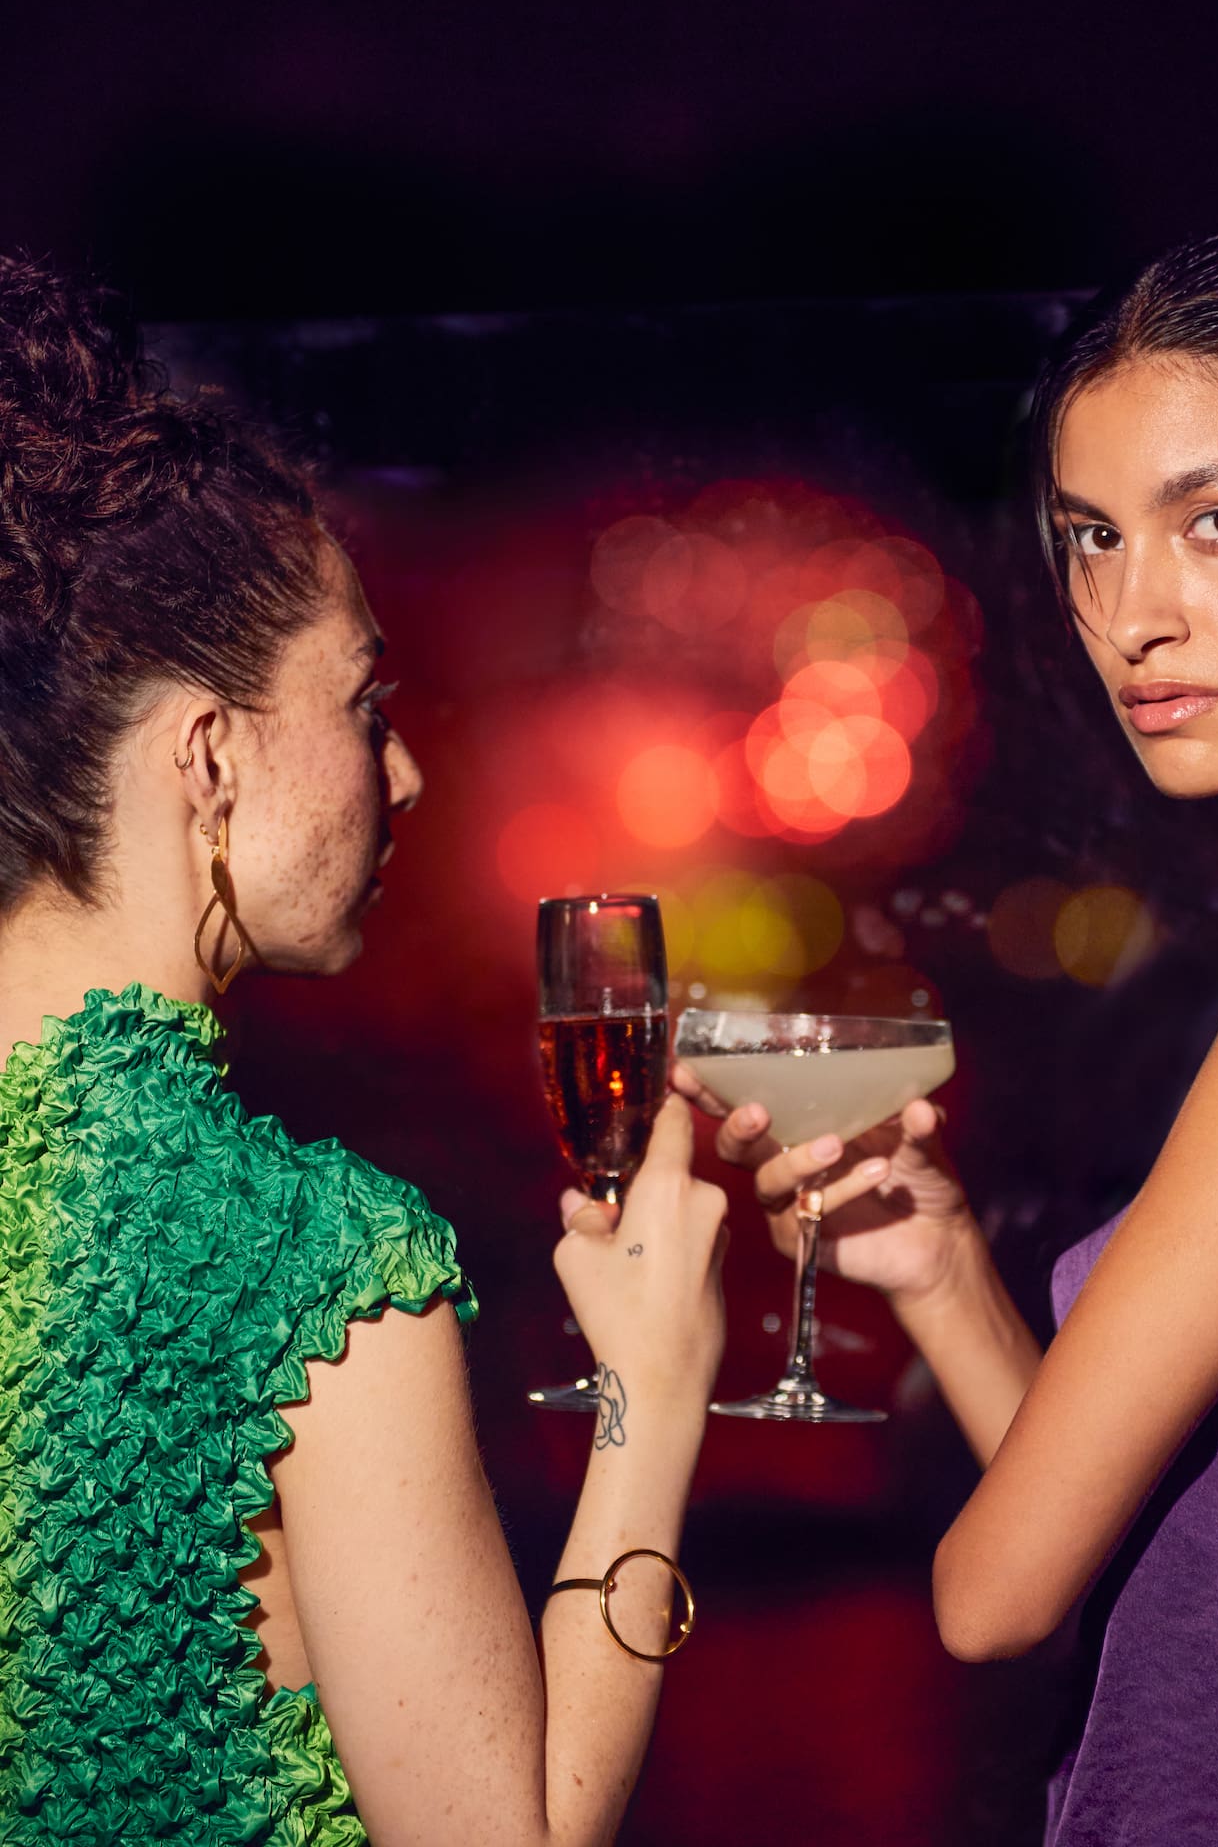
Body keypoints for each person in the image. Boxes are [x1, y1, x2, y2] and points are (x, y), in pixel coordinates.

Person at [679, 228, 1218, 1842]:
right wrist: (947, 1270)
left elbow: (994, 1601)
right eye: (1090, 539)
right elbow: (1188, 1557)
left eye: (1217, 524)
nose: (1132, 615)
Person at [0, 257, 729, 1845]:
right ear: (209, 754)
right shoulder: (305, 1262)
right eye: (364, 700)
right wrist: (653, 1398)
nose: (402, 774)